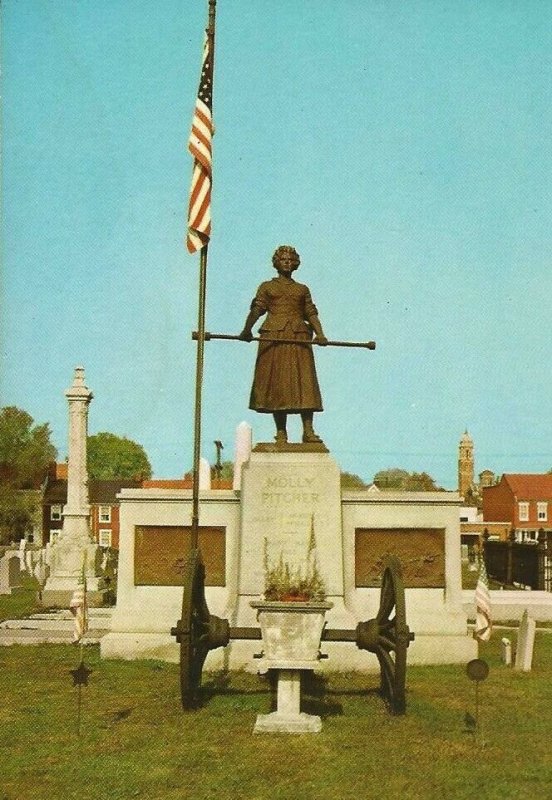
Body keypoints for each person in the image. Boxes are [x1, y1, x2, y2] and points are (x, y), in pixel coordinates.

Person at [239, 245, 327, 444]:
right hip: (274, 337)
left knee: (305, 384)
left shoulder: (302, 289)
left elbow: (311, 313)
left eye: (290, 259)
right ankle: (281, 431)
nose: (287, 262)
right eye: (283, 259)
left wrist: (320, 334)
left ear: (295, 263)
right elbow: (257, 309)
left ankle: (308, 430)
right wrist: (246, 330)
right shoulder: (267, 287)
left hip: (298, 337)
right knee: (278, 385)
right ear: (276, 263)